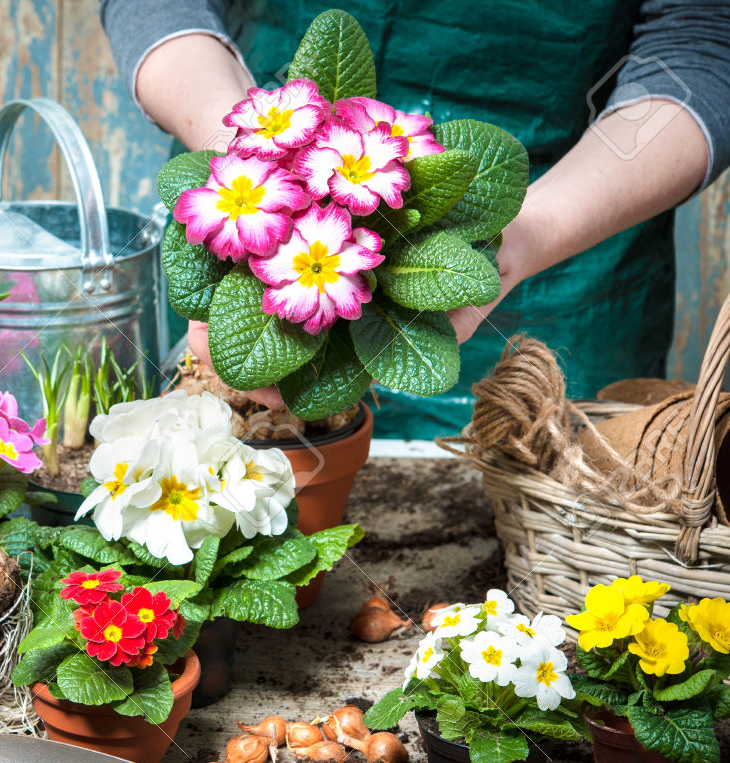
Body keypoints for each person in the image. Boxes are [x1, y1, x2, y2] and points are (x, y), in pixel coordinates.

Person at [101, 0, 730, 439]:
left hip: (571, 240)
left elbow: (703, 41)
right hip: (259, 151)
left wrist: (526, 233)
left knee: (548, 512)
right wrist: (241, 140)